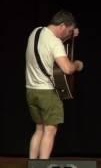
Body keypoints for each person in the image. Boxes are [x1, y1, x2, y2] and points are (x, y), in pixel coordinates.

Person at [25, 10, 83, 159]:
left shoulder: (36, 32)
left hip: (31, 90)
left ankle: (33, 165)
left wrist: (70, 35)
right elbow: (67, 68)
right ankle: (43, 165)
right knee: (50, 131)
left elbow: (48, 47)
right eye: (68, 31)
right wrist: (77, 65)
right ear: (62, 26)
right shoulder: (55, 42)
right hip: (47, 93)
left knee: (39, 129)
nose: (68, 33)